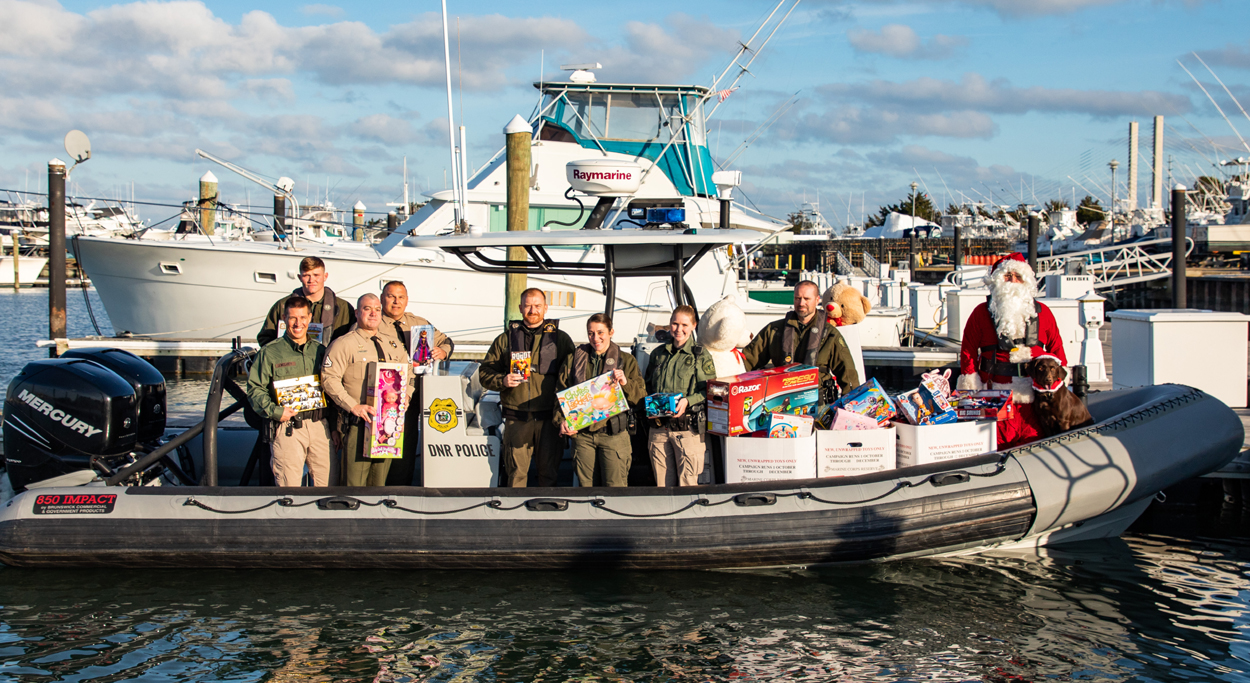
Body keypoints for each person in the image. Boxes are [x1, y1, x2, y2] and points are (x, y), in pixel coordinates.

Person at [956, 252, 1067, 448]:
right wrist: (971, 384)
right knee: (993, 446)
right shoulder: (981, 313)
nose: (1013, 281)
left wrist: (1058, 384)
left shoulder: (1044, 313)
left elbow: (1057, 349)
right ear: (997, 281)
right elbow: (968, 351)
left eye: (1018, 276)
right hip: (993, 395)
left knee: (1035, 445)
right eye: (1007, 276)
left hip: (1034, 397)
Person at [479, 288, 575, 487]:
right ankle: (514, 516)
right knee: (515, 475)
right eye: (528, 305)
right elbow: (484, 373)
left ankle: (546, 513)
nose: (533, 310)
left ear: (545, 308)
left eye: (538, 305)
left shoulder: (561, 339)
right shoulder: (505, 340)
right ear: (520, 307)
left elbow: (574, 377)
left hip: (550, 419)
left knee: (548, 474)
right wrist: (502, 380)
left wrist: (569, 414)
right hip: (517, 419)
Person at [322, 293, 415, 486]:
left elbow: (409, 373)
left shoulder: (393, 344)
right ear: (357, 313)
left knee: (379, 483)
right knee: (354, 485)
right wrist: (353, 406)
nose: (373, 314)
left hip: (387, 425)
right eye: (367, 309)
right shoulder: (343, 344)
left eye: (377, 309)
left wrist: (406, 395)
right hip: (358, 424)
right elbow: (329, 379)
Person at [246, 296, 332, 486]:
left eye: (302, 317)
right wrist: (276, 411)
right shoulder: (270, 352)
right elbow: (255, 390)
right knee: (289, 489)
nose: (298, 323)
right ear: (284, 318)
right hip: (288, 427)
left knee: (326, 487)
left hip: (319, 426)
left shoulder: (321, 351)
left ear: (310, 318)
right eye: (293, 318)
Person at [375, 280, 455, 486]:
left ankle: (402, 487)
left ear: (407, 300)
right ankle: (381, 486)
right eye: (391, 296)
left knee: (409, 441)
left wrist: (443, 352)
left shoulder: (419, 324)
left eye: (400, 297)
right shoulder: (373, 321)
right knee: (385, 439)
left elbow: (446, 341)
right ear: (383, 298)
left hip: (415, 391)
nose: (396, 301)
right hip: (385, 394)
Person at [555, 314, 645, 487]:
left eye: (600, 332)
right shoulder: (573, 360)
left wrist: (625, 383)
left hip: (614, 435)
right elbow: (560, 394)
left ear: (611, 332)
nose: (595, 338)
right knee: (586, 489)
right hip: (583, 437)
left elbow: (640, 398)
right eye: (591, 333)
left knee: (616, 489)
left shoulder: (626, 361)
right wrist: (561, 421)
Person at [741, 280, 859, 401]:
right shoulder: (774, 330)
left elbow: (848, 373)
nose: (801, 303)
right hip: (782, 401)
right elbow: (747, 361)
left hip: (817, 404)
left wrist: (852, 404)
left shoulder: (830, 334)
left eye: (807, 299)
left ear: (817, 300)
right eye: (798, 298)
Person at [645, 305, 717, 487]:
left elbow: (710, 390)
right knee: (662, 486)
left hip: (687, 431)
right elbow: (646, 386)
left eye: (684, 325)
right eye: (675, 324)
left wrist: (688, 400)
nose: (679, 329)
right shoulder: (658, 354)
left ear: (694, 325)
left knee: (688, 485)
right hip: (659, 430)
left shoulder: (699, 355)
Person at [257, 256, 355, 347]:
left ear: (325, 276)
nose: (311, 280)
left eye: (316, 275)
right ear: (300, 277)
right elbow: (265, 338)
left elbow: (353, 341)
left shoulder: (343, 308)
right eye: (306, 275)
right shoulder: (283, 306)